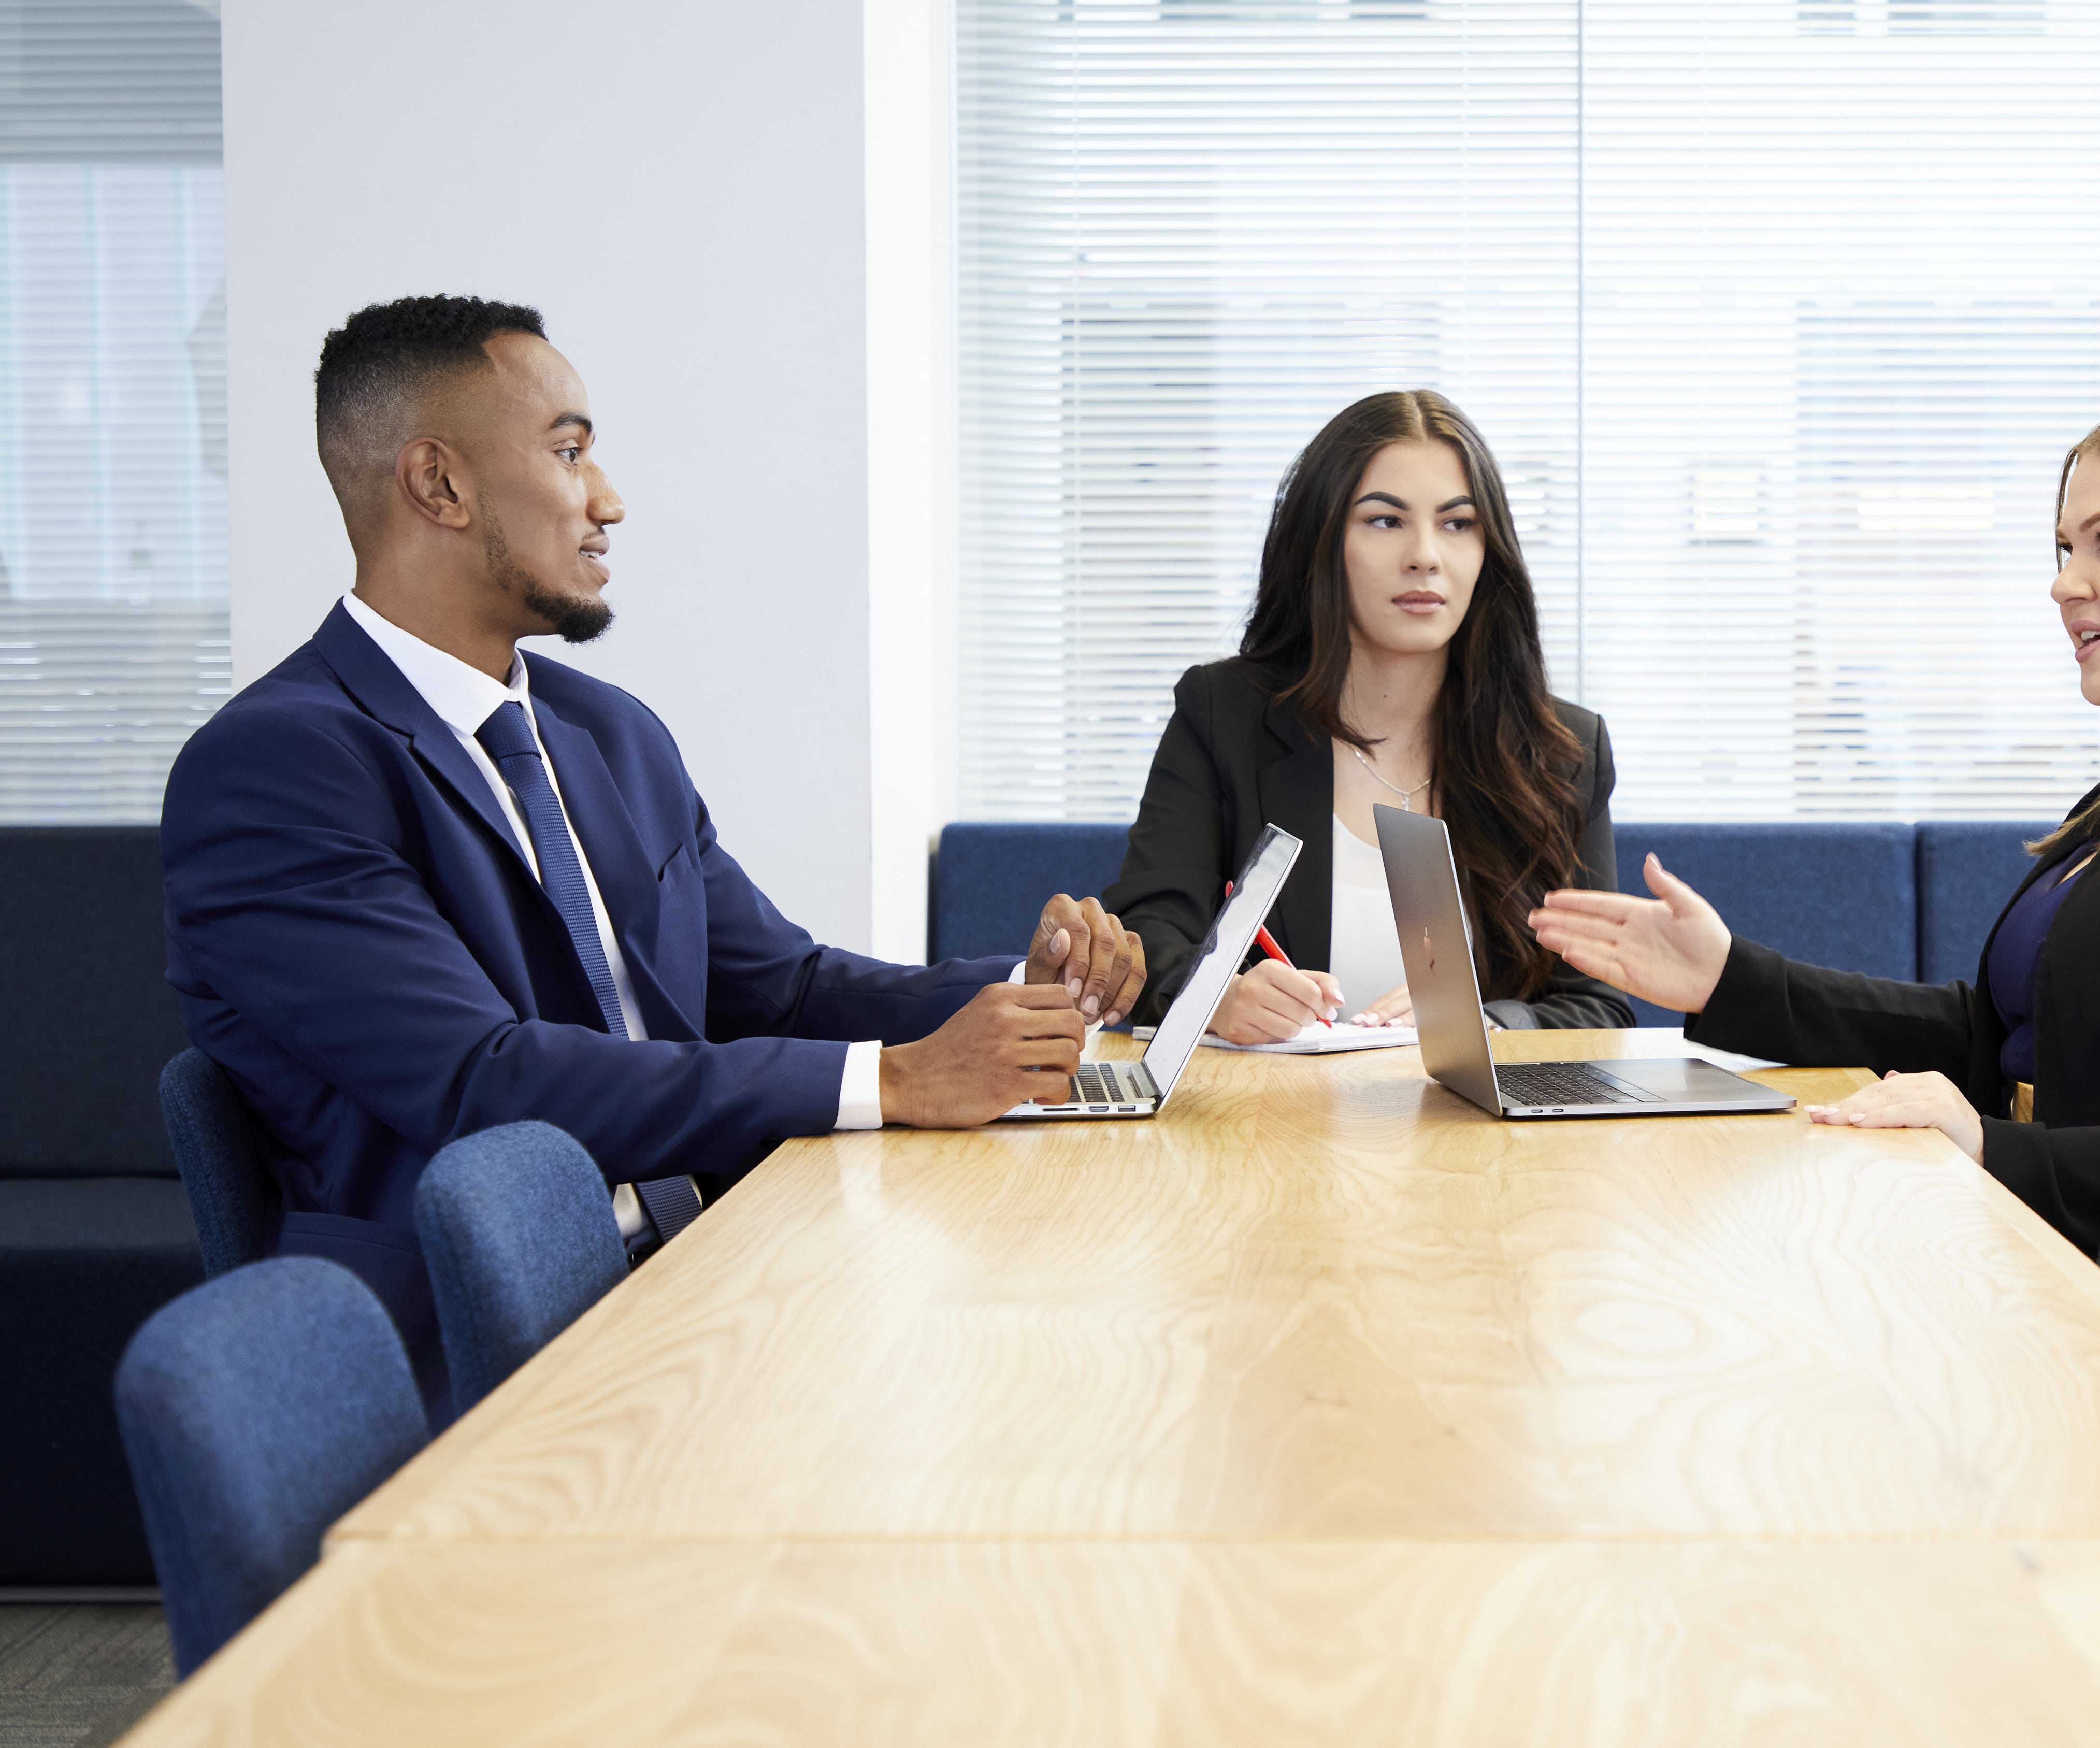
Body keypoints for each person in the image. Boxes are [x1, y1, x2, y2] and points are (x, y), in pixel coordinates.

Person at [161, 295, 1146, 1417]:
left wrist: (1024, 993)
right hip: (485, 1359)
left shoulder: (606, 733)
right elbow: (486, 1081)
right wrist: (892, 1079)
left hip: (706, 1262)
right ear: (438, 484)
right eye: (569, 450)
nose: (609, 499)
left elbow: (779, 985)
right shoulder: (276, 768)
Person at [1529, 390, 2100, 1285]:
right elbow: (1992, 1035)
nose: (2064, 582)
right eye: (2063, 547)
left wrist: (1995, 1150)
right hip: (2043, 1248)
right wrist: (1731, 979)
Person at [1107, 390, 1632, 1041]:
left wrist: (1489, 1024)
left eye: (1457, 523)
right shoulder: (1225, 716)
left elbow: (1597, 1006)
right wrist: (1214, 996)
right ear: (1322, 542)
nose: (1424, 555)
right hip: (1267, 1126)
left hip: (1475, 1134)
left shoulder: (1563, 751)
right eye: (1385, 521)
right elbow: (1144, 937)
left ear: (1486, 553)